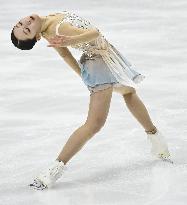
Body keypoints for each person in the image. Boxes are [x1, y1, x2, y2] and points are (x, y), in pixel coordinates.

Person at [11, 11, 172, 190]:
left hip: (106, 56)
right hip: (98, 63)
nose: (26, 23)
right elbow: (95, 33)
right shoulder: (58, 29)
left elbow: (66, 54)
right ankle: (52, 171)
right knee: (94, 124)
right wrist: (83, 68)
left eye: (21, 23)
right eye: (27, 30)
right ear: (38, 36)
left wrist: (82, 74)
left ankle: (156, 140)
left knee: (128, 92)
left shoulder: (50, 21)